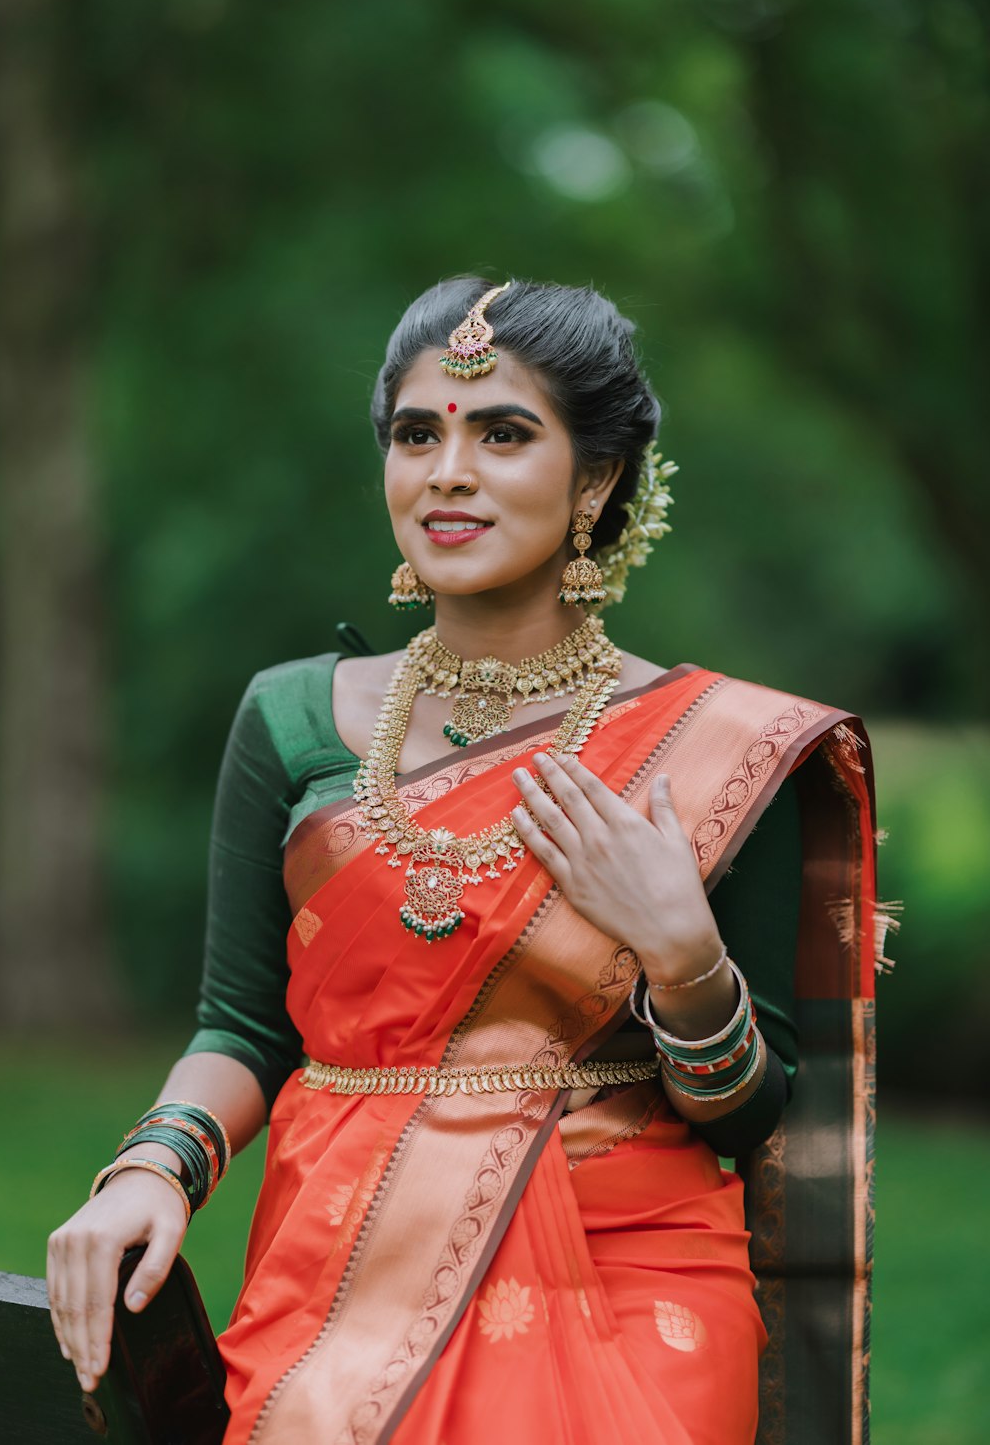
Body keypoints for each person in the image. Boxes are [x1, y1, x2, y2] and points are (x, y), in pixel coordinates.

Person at [47, 278, 879, 1445]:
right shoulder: (290, 719)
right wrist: (152, 1168)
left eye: (502, 432)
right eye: (415, 432)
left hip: (629, 1275)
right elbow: (241, 1026)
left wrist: (684, 957)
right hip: (344, 1268)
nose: (447, 468)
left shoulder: (717, 752)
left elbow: (754, 1119)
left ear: (594, 480)